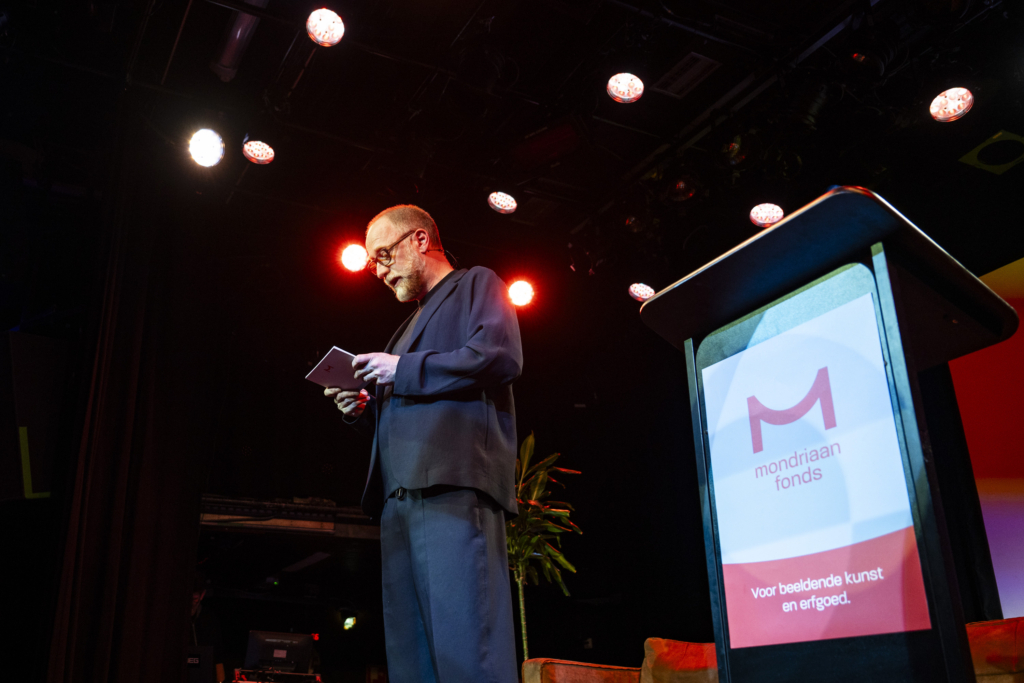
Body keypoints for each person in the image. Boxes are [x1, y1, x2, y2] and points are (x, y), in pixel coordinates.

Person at [325, 205, 522, 683]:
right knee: (412, 660)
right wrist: (364, 407)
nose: (379, 270)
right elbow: (412, 399)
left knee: (466, 649)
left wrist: (402, 370)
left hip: (451, 488)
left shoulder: (477, 283)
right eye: (372, 263)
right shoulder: (403, 329)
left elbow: (498, 355)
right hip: (399, 500)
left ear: (419, 240)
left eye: (384, 254)